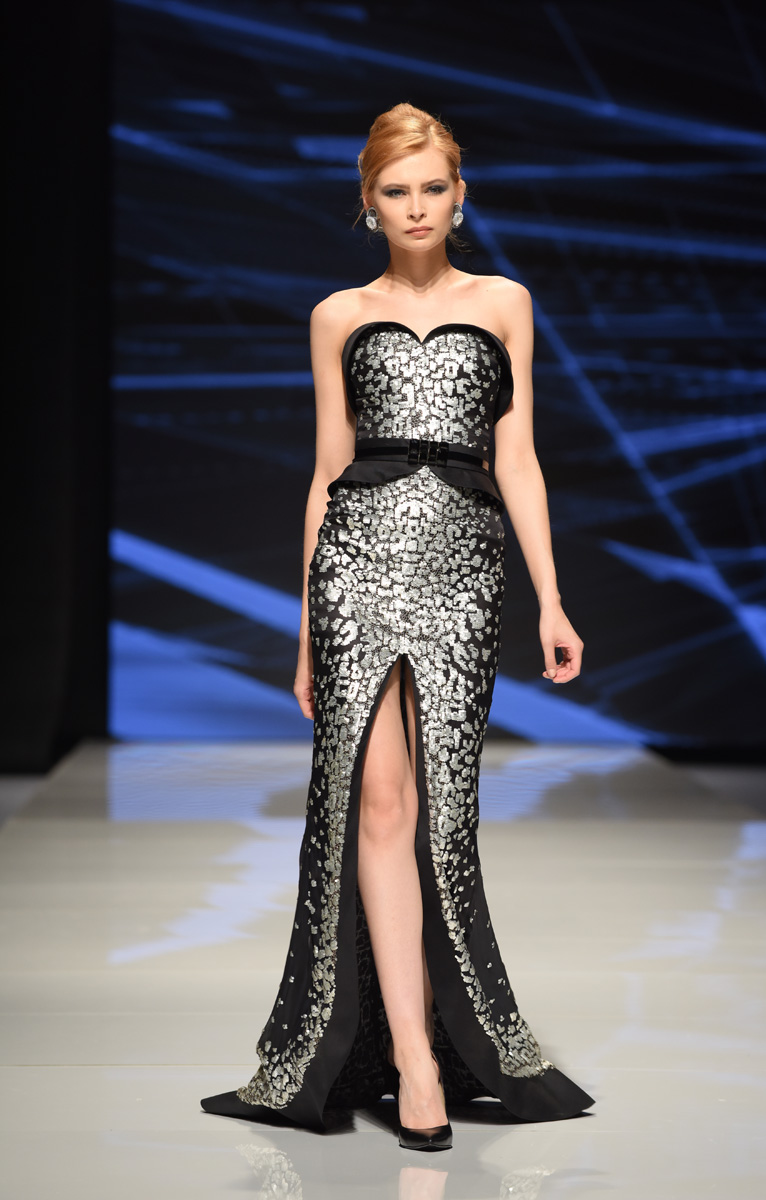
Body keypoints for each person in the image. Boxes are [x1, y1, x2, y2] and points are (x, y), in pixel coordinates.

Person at [201, 103, 594, 1151]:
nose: (416, 207)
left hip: (466, 568)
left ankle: (437, 1034)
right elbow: (326, 474)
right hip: (356, 565)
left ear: (460, 196)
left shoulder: (504, 302)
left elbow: (518, 458)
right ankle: (414, 1062)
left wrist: (552, 598)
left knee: (444, 813)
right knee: (376, 803)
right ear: (367, 203)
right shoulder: (337, 315)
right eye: (395, 190)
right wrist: (304, 633)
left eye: (432, 188)